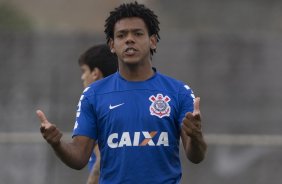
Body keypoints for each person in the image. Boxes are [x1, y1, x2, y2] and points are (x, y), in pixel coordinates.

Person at [37, 2, 207, 184]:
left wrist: (196, 137)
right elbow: (79, 157)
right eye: (121, 35)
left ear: (153, 40)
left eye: (138, 33)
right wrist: (57, 144)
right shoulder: (93, 95)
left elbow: (196, 156)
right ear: (112, 44)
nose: (129, 39)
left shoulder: (178, 92)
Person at [78, 44, 118, 184]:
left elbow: (102, 160)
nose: (83, 77)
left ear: (95, 73)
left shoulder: (101, 107)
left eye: (84, 71)